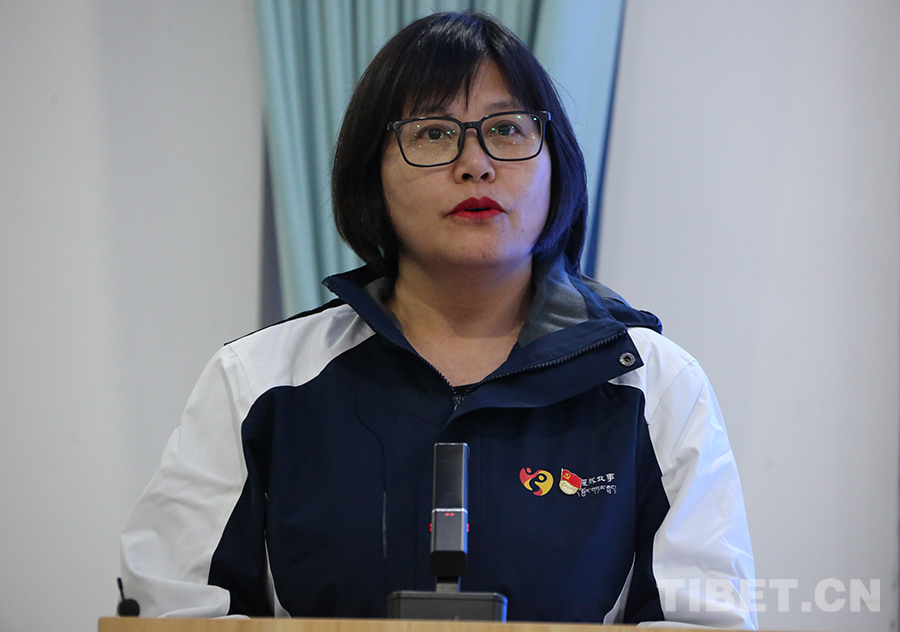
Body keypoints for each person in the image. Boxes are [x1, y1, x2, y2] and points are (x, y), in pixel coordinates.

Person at [120, 11, 757, 628]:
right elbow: (171, 611)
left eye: (506, 129)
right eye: (432, 133)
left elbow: (706, 619)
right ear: (371, 175)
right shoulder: (258, 382)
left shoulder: (652, 383)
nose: (475, 163)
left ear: (555, 164)